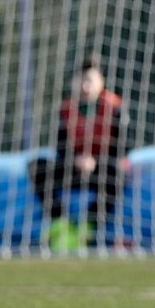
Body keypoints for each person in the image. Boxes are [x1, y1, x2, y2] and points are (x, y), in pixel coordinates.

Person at [28, 54, 128, 244]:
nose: (85, 86)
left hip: (102, 169)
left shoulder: (115, 107)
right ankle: (62, 223)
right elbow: (60, 147)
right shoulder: (66, 109)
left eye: (90, 80)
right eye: (81, 80)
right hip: (74, 169)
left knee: (118, 173)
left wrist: (95, 161)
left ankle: (88, 227)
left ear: (101, 81)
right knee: (36, 167)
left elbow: (123, 146)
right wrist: (76, 160)